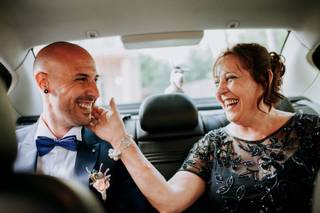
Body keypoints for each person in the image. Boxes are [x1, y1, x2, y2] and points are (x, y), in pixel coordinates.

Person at [88, 43, 320, 213]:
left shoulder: (311, 129)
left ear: (264, 79)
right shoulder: (214, 144)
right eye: (217, 83)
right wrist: (119, 138)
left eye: (230, 78)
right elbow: (169, 201)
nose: (220, 92)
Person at [14, 41, 149, 213]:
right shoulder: (8, 146)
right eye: (81, 79)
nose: (95, 92)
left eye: (95, 80)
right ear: (44, 83)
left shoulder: (114, 146)